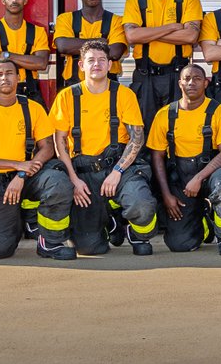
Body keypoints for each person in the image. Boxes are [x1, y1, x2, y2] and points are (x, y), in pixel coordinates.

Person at [0, 56, 75, 260]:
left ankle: (50, 242)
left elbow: (48, 148)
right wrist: (15, 164)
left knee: (57, 182)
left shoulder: (33, 108)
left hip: (29, 176)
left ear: (18, 77)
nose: (5, 78)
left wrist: (22, 173)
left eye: (9, 73)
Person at [50, 41, 157, 256]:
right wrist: (73, 180)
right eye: (90, 60)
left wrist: (117, 172)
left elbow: (137, 139)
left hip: (118, 167)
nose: (96, 65)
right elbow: (59, 142)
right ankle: (109, 222)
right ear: (81, 65)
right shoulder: (66, 97)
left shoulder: (124, 95)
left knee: (141, 204)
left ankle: (137, 234)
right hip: (83, 173)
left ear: (110, 65)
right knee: (89, 248)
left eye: (101, 60)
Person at [146, 64, 221, 255]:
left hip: (211, 173)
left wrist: (199, 178)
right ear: (180, 82)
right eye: (187, 78)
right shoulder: (164, 114)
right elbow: (157, 157)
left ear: (206, 83)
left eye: (197, 78)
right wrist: (166, 195)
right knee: (179, 245)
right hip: (180, 179)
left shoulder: (219, 112)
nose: (191, 82)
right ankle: (203, 221)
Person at [123, 0, 204, 131]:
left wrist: (148, 34)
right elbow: (132, 36)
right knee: (145, 129)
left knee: (178, 127)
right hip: (145, 75)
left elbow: (191, 35)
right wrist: (171, 27)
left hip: (178, 75)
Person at [53, 0, 128, 88]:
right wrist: (101, 42)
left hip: (108, 89)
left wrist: (77, 46)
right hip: (74, 88)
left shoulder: (117, 21)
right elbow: (62, 46)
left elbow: (114, 53)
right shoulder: (66, 19)